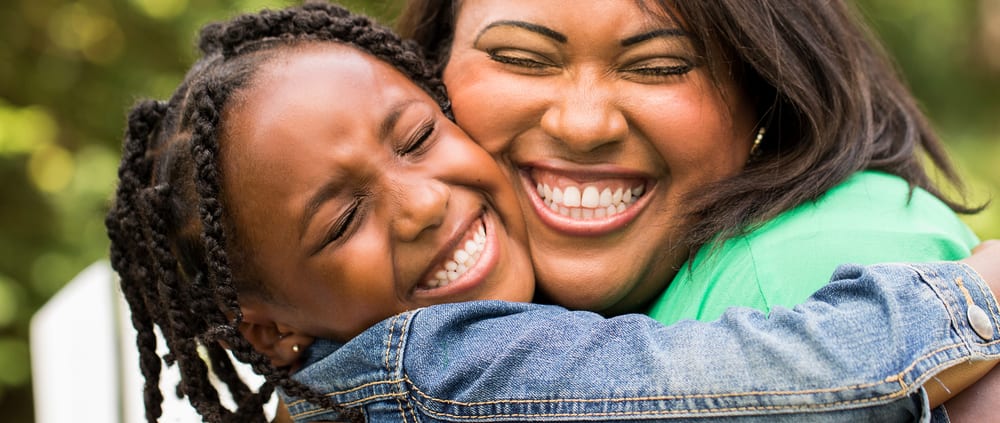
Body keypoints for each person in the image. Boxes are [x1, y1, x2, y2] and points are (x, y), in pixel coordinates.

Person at [105, 3, 1000, 422]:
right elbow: (743, 377)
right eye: (341, 223)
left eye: (416, 137)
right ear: (267, 334)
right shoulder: (435, 364)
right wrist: (972, 300)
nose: (420, 204)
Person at [398, 0, 984, 320]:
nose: (581, 126)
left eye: (660, 67)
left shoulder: (811, 277)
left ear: (767, 90)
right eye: (522, 58)